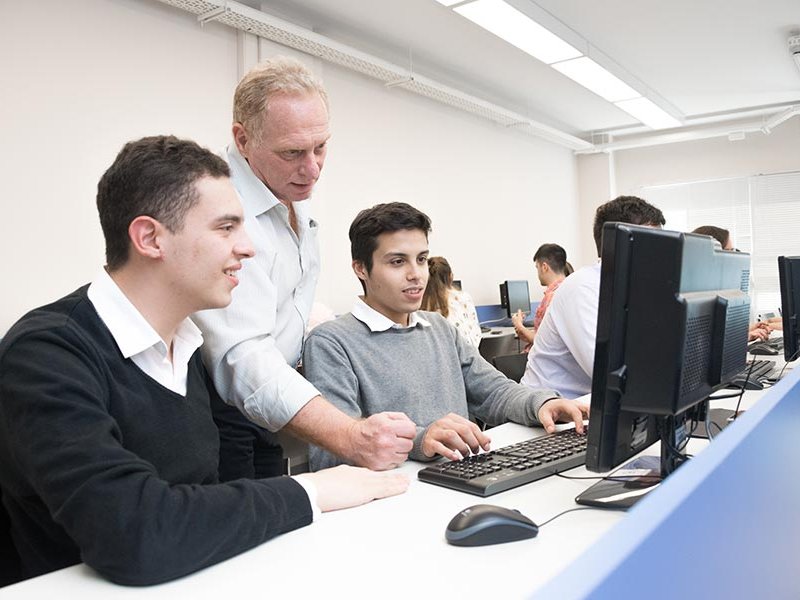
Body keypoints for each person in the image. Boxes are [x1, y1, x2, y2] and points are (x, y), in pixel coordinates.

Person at [0, 136, 408, 586]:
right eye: (226, 227)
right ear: (150, 237)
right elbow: (135, 533)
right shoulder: (46, 355)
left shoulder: (189, 349)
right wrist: (313, 490)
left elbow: (215, 506)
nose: (248, 248)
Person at [192, 56, 416, 475]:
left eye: (321, 147)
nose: (312, 168)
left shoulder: (289, 188)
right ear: (242, 139)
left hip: (266, 407)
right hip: (222, 415)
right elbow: (241, 357)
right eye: (293, 152)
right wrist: (348, 435)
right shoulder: (224, 211)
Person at [302, 202, 589, 471]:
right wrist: (420, 440)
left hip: (462, 476)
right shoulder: (331, 342)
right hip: (395, 498)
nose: (416, 274)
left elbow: (493, 391)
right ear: (361, 268)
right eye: (398, 262)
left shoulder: (438, 327)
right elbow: (333, 452)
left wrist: (542, 404)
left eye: (422, 259)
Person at [521, 196, 666, 399]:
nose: (659, 255)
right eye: (652, 244)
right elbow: (610, 374)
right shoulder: (582, 288)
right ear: (619, 244)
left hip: (592, 408)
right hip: (548, 412)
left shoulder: (633, 289)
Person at [691, 225, 771, 341]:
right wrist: (744, 337)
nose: (735, 256)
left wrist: (746, 331)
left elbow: (715, 333)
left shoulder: (717, 288)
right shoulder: (697, 292)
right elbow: (701, 340)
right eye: (731, 251)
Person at [511, 243, 573, 351]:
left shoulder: (552, 297)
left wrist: (519, 325)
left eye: (537, 267)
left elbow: (543, 342)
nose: (538, 273)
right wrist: (525, 333)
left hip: (542, 363)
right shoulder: (570, 290)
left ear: (544, 267)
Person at [420, 256, 482, 347]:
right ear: (451, 277)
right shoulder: (464, 297)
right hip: (469, 355)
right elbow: (476, 335)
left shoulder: (420, 304)